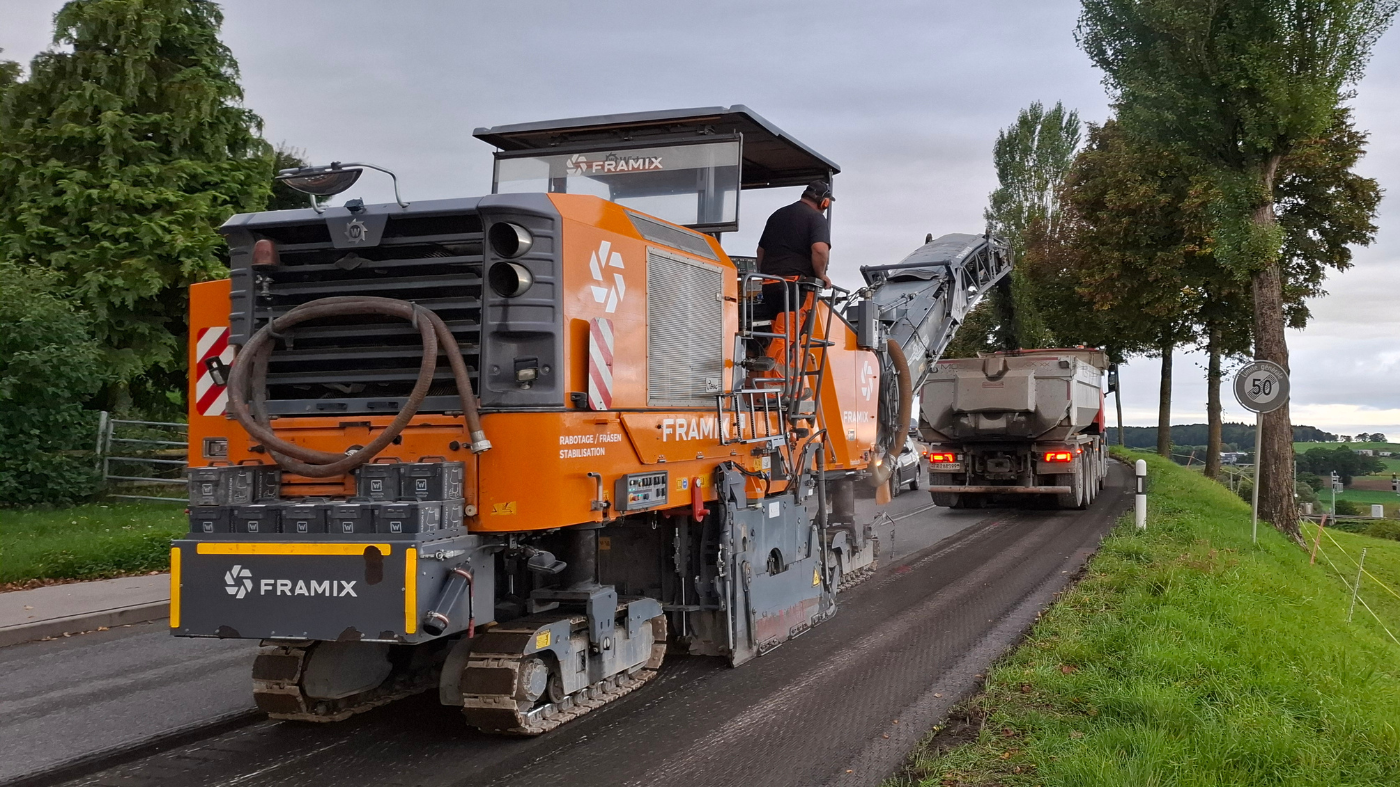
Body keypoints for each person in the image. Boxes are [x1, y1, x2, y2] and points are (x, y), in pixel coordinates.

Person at [751, 181, 833, 323]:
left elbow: (760, 251)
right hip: (795, 288)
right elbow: (820, 249)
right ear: (824, 202)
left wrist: (765, 275)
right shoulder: (816, 218)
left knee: (777, 333)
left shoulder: (777, 215)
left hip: (769, 286)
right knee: (789, 338)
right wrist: (821, 275)